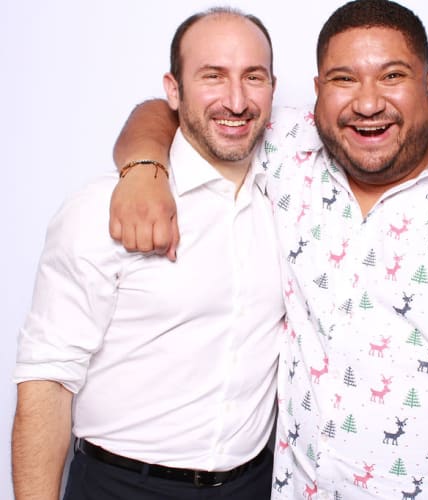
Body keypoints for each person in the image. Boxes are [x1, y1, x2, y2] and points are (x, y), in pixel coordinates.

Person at [108, 1, 428, 499]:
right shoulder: (289, 153)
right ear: (318, 91)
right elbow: (170, 109)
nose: (367, 104)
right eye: (344, 80)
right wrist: (145, 166)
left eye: (392, 76)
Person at [12, 8, 284, 500]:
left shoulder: (295, 194)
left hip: (254, 484)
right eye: (213, 76)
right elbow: (47, 381)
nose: (237, 99)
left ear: (273, 87)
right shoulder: (101, 209)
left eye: (254, 77)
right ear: (174, 90)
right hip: (121, 485)